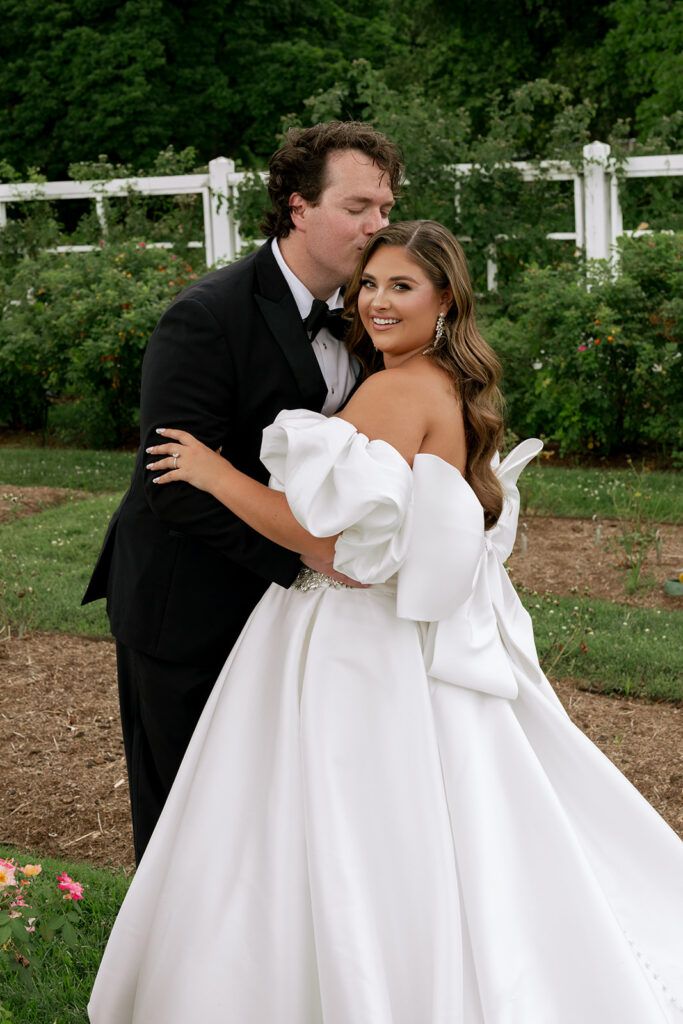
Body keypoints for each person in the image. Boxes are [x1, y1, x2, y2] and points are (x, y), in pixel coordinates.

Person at [89, 220, 683, 1024]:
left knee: (329, 820)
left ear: (445, 300)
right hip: (402, 630)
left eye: (400, 286)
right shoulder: (449, 384)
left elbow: (325, 541)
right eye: (368, 284)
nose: (373, 301)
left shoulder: (395, 391)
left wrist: (212, 471)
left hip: (350, 632)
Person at [81, 121, 403, 863]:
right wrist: (305, 563)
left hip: (294, 617)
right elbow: (174, 487)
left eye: (385, 207)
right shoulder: (206, 317)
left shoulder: (370, 312)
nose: (378, 224)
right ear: (297, 207)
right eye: (358, 207)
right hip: (185, 607)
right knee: (185, 826)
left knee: (272, 819)